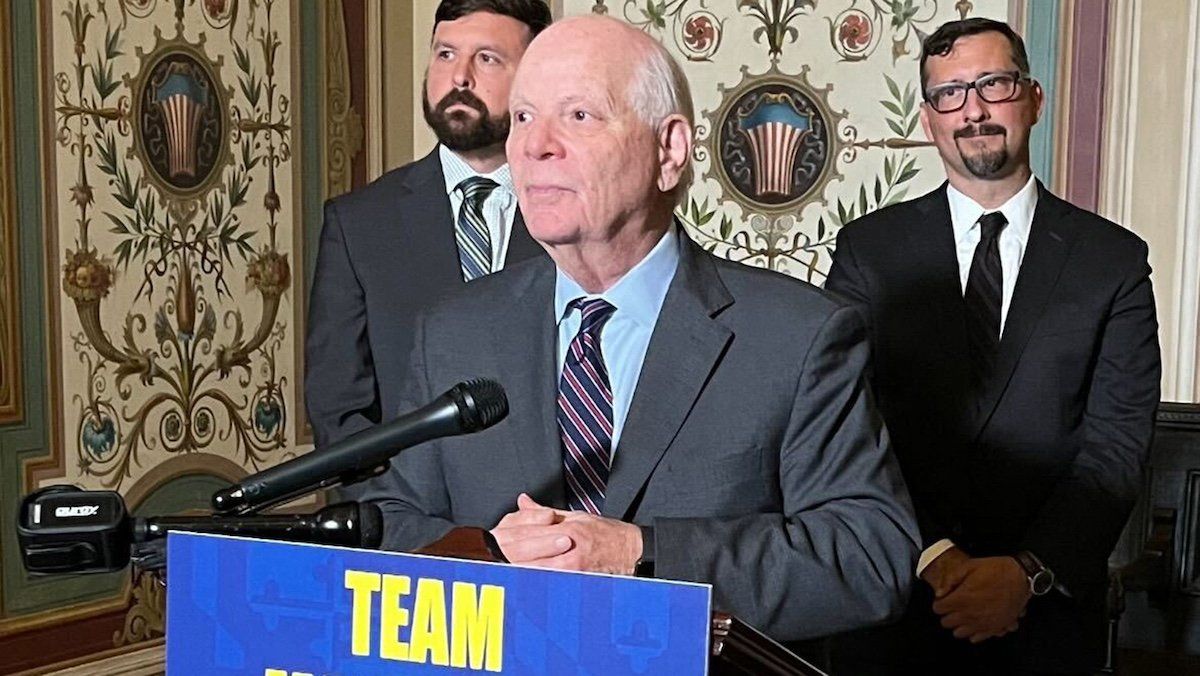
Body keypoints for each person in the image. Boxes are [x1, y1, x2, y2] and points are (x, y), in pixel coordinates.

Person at [356, 15, 920, 645]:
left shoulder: (799, 338)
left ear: (669, 150)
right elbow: (389, 521)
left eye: (578, 116)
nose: (534, 145)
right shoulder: (453, 331)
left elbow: (870, 558)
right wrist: (484, 553)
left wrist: (640, 554)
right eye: (522, 117)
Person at [825, 17, 1161, 675]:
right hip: (896, 601)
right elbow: (843, 423)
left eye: (993, 84)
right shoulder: (869, 252)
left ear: (1033, 99)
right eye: (950, 93)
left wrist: (1027, 574)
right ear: (928, 119)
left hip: (1049, 617)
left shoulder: (1112, 261)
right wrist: (935, 556)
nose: (973, 109)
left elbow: (1116, 446)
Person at [305, 0, 552, 450]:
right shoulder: (359, 223)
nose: (460, 77)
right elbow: (339, 414)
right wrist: (405, 516)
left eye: (487, 58)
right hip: (410, 514)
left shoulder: (583, 215)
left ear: (536, 77)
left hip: (558, 510)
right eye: (445, 54)